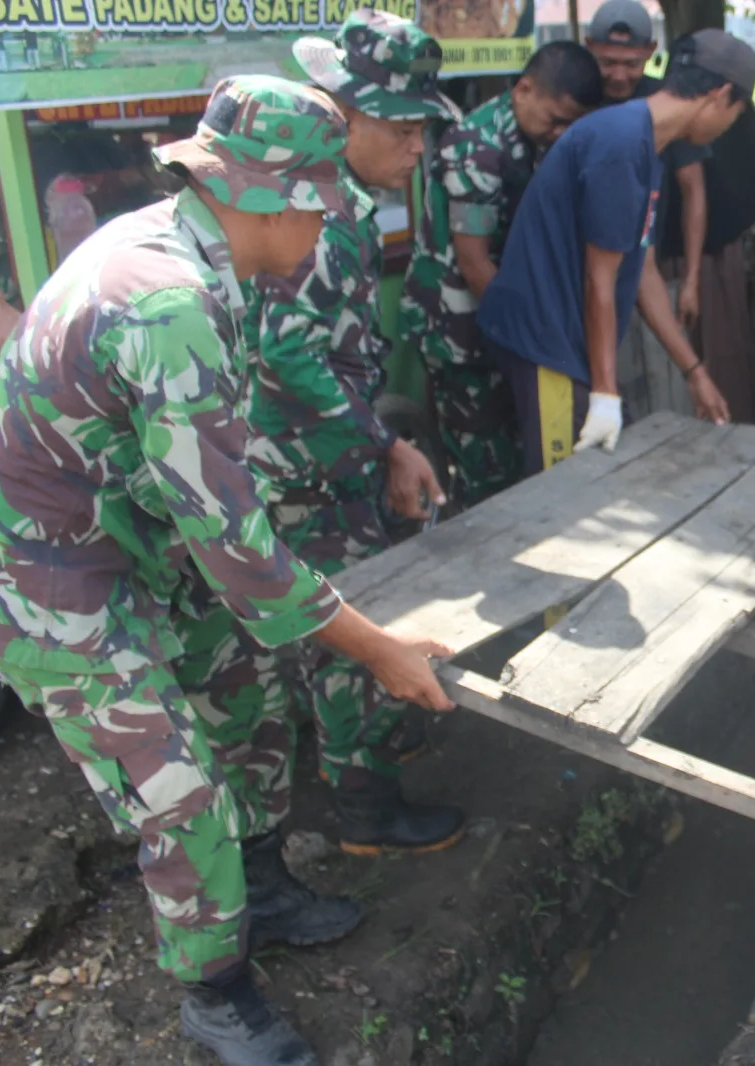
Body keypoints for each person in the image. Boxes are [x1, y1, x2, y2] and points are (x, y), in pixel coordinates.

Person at [0, 76, 454, 1066]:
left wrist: (368, 466)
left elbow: (220, 483)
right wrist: (377, 648)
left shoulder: (204, 249)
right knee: (177, 787)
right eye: (320, 203)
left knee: (245, 693)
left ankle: (262, 885)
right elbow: (235, 541)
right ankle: (215, 990)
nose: (327, 225)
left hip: (134, 527)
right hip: (52, 574)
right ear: (270, 197)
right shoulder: (167, 298)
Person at [244, 10, 464, 857]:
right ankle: (366, 816)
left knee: (336, 629)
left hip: (323, 460)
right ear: (344, 113)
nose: (416, 147)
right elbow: (288, 360)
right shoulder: (319, 222)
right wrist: (384, 444)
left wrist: (380, 446)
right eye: (403, 128)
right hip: (300, 472)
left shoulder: (339, 203)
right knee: (351, 636)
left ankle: (354, 776)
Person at [478, 28, 745, 472]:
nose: (732, 124)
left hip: (569, 347)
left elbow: (642, 271)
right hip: (547, 344)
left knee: (603, 478)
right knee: (562, 490)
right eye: (737, 112)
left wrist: (693, 371)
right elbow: (599, 280)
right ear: (720, 95)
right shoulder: (620, 145)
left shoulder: (645, 145)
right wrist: (605, 394)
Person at [400, 40, 603, 508]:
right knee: (484, 468)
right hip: (460, 327)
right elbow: (474, 263)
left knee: (517, 454)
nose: (560, 132)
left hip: (500, 320)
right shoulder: (478, 148)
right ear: (524, 89)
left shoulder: (535, 137)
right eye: (555, 119)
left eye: (571, 124)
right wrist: (529, 342)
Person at [585, 0, 710, 333]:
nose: (619, 75)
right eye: (607, 62)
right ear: (589, 47)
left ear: (652, 50)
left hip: (650, 268)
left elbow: (693, 188)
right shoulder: (575, 99)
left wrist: (691, 280)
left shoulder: (667, 103)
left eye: (631, 63)